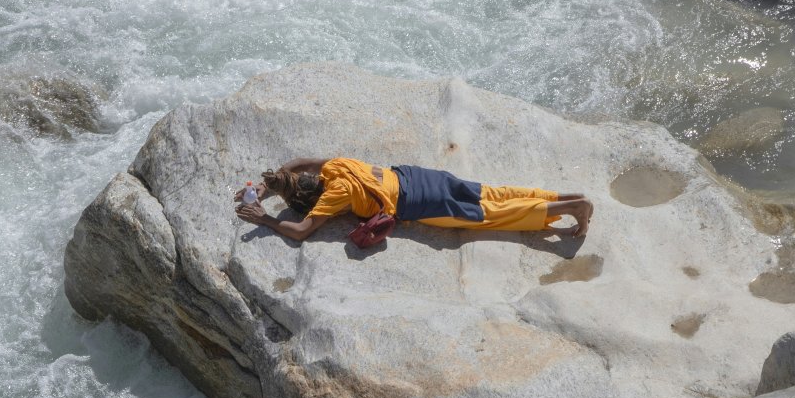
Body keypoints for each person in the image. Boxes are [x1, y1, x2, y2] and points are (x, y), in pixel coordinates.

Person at [233, 157, 593, 241]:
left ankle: (569, 208)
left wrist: (263, 217)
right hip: (417, 176)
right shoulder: (335, 166)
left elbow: (301, 230)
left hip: (419, 203)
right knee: (490, 192)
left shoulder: (333, 195)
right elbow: (297, 163)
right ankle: (562, 196)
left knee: (491, 214)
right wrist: (270, 184)